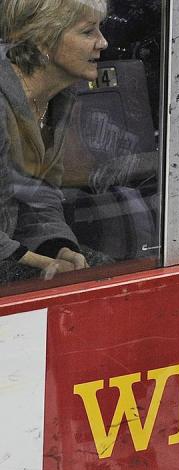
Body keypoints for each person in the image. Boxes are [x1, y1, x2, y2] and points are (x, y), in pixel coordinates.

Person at [0, 0, 112, 282]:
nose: (103, 43)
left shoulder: (57, 99)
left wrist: (57, 247)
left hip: (9, 250)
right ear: (42, 39)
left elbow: (39, 194)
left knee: (103, 271)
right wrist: (38, 262)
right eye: (88, 32)